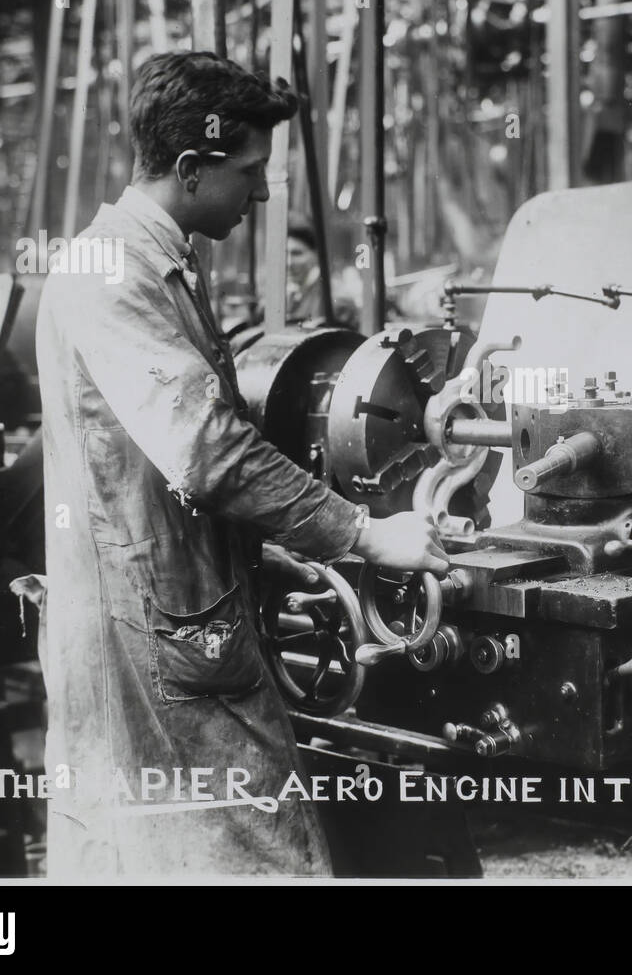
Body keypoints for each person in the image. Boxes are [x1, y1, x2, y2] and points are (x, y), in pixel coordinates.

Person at [35, 51, 447, 876]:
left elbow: (157, 473)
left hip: (158, 615)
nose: (261, 193)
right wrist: (365, 534)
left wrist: (267, 544)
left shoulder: (155, 265)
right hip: (159, 643)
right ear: (191, 169)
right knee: (257, 860)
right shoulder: (114, 274)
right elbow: (208, 451)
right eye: (251, 170)